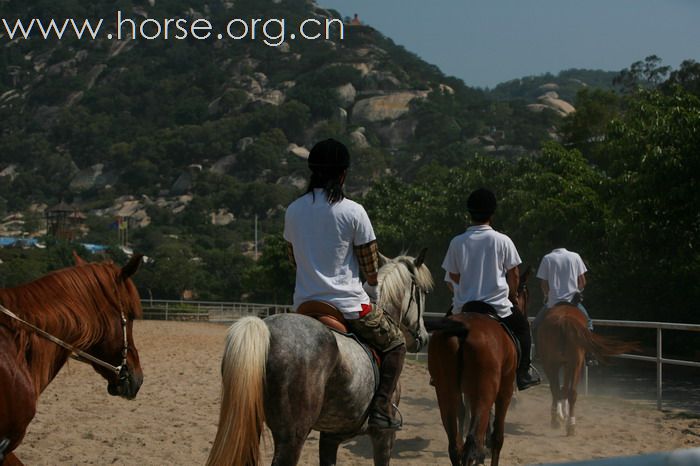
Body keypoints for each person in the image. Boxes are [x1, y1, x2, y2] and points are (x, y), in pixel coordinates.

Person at [283, 138, 406, 430]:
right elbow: (369, 262)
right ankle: (380, 409)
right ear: (343, 174)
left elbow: (293, 260)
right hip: (348, 306)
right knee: (397, 344)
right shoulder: (353, 211)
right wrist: (373, 288)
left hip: (304, 305)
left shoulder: (293, 210)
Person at [441, 188, 540, 391]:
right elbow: (514, 274)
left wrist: (467, 285)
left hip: (464, 307)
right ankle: (523, 373)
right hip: (497, 306)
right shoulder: (503, 240)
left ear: (469, 213)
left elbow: (451, 277)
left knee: (441, 336)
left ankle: (438, 374)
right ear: (492, 214)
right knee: (523, 330)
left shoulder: (457, 242)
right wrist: (512, 296)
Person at [533, 241, 596, 364]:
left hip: (553, 303)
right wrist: (578, 292)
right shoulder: (575, 256)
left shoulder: (547, 258)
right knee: (588, 324)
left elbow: (544, 284)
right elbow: (583, 281)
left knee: (535, 325)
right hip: (573, 302)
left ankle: (539, 354)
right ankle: (589, 354)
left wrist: (547, 295)